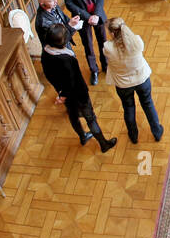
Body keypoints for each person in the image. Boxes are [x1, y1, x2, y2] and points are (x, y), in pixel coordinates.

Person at [40, 24, 117, 152]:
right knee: (90, 118)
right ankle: (103, 144)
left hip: (65, 93)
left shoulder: (46, 53)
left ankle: (83, 136)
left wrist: (61, 93)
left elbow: (50, 76)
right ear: (62, 43)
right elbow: (71, 82)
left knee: (73, 116)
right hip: (78, 94)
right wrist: (64, 94)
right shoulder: (66, 60)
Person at [103, 17, 163, 144]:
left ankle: (133, 136)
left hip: (123, 85)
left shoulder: (107, 47)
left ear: (113, 33)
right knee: (148, 104)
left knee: (128, 108)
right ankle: (157, 132)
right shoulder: (137, 41)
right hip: (142, 80)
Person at [61, 0, 108, 85]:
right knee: (88, 44)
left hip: (97, 14)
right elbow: (69, 4)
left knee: (103, 41)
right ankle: (94, 70)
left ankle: (106, 65)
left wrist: (97, 14)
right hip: (82, 17)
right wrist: (88, 17)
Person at [34, 0, 77, 104]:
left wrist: (71, 21)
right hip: (57, 54)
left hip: (65, 47)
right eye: (52, 0)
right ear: (43, 4)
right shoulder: (43, 22)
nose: (56, 2)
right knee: (65, 79)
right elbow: (58, 39)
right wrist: (71, 27)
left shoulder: (54, 6)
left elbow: (63, 18)